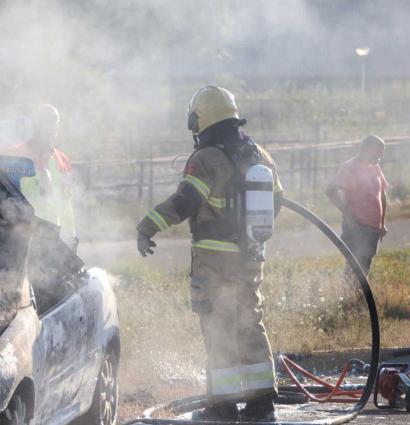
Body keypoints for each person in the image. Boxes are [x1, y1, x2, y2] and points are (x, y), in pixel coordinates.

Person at [136, 86, 283, 422]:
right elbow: (278, 200)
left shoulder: (207, 159)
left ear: (199, 119)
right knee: (250, 321)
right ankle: (262, 403)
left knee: (218, 324)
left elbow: (184, 202)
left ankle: (223, 405)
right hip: (251, 256)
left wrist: (147, 227)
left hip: (215, 260)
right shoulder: (260, 154)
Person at [4, 104, 77, 248]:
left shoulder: (63, 161)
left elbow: (66, 204)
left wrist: (71, 237)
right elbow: (1, 197)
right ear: (36, 126)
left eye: (55, 123)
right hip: (19, 239)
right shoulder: (14, 156)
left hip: (52, 241)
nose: (52, 128)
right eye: (46, 123)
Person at [325, 135, 388, 274]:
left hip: (373, 228)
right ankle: (350, 293)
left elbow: (382, 194)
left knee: (365, 264)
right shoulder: (350, 167)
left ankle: (357, 294)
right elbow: (330, 191)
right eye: (379, 151)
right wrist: (348, 214)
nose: (381, 156)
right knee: (356, 265)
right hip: (357, 226)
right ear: (368, 149)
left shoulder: (375, 167)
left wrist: (382, 223)